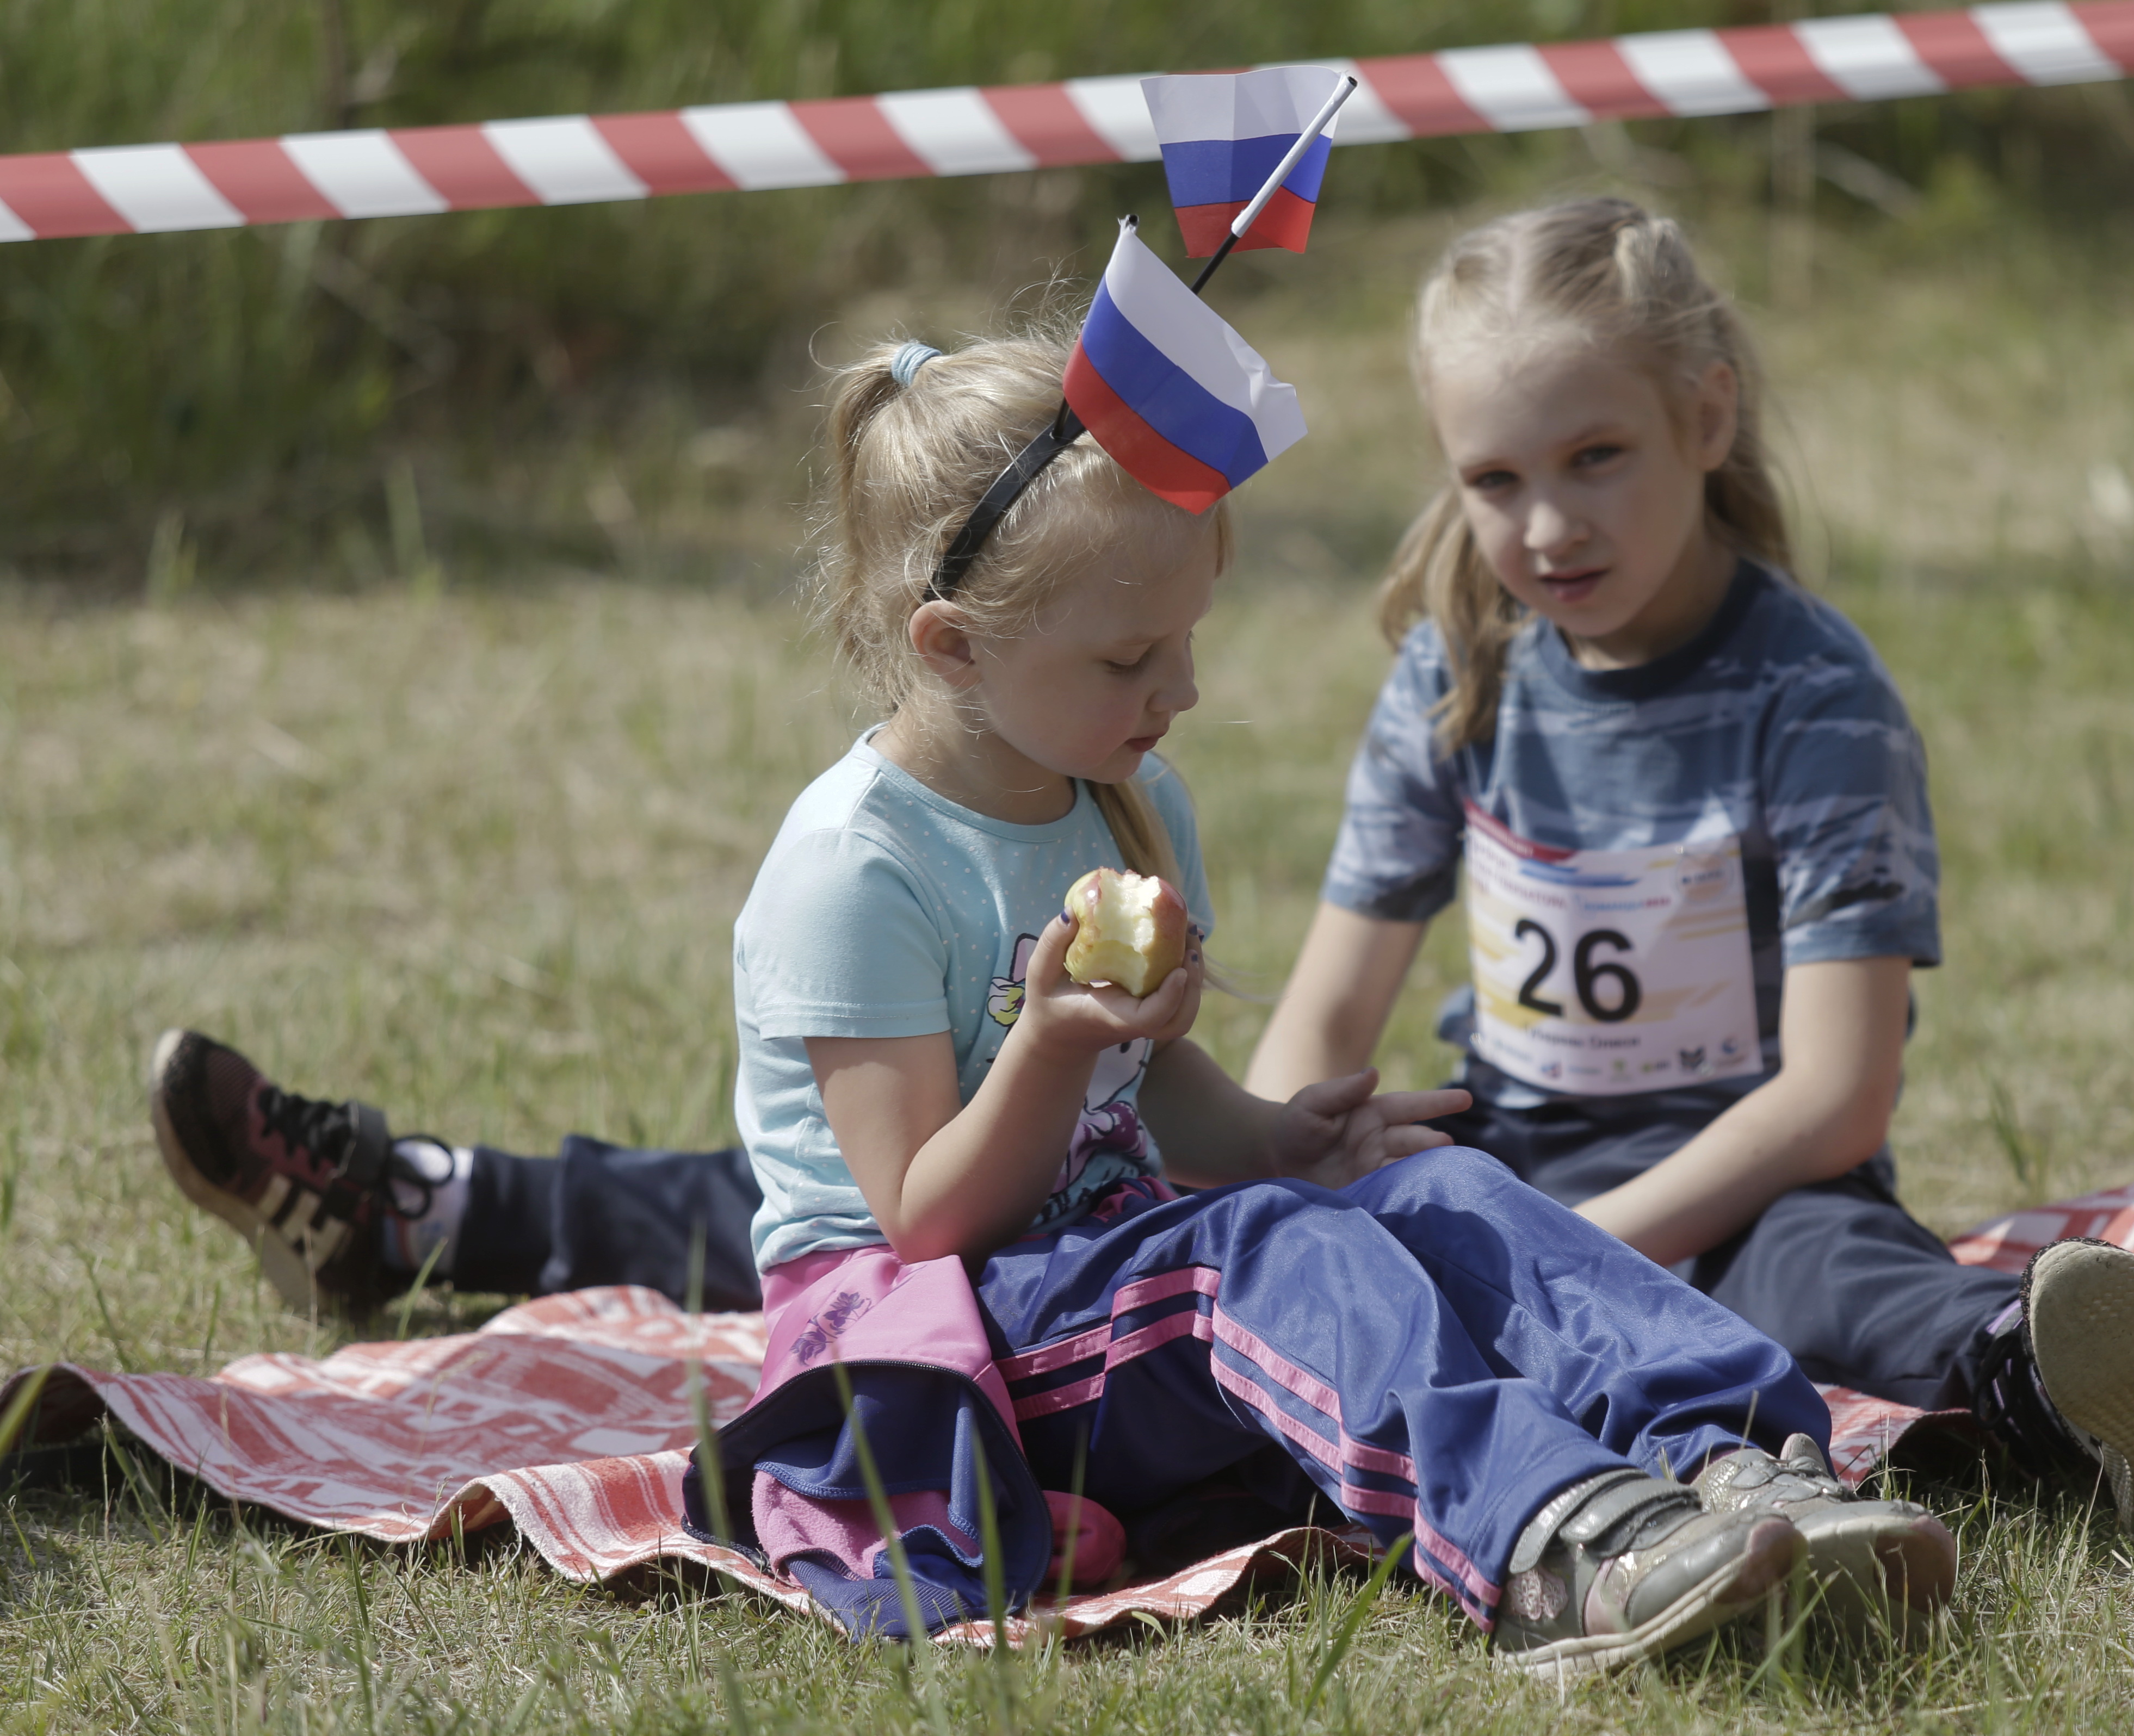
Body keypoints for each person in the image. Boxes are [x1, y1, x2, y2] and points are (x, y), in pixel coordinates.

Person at [157, 327, 1963, 1672]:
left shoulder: (1120, 789)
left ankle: (1736, 1463)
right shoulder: (852, 870)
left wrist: (1287, 1131)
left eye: (1188, 639)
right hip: (930, 1347)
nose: (1176, 689)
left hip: (1108, 1282)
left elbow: (1171, 1119)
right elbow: (920, 1215)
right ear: (950, 646)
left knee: (1434, 1195)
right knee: (1262, 1259)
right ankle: (1559, 1543)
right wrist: (1046, 1043)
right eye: (1127, 656)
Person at [1235, 197, 2134, 1534]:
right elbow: (1324, 1016)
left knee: (1839, 1282)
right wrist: (1261, 1187)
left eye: (1595, 457)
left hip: (1756, 1178)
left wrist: (1586, 1253)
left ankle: (2058, 1386)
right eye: (1494, 482)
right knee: (1360, 1260)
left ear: (1704, 421)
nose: (1547, 527)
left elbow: (1836, 1096)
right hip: (1501, 1161)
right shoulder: (1453, 670)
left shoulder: (1815, 695)